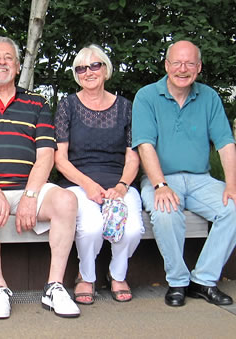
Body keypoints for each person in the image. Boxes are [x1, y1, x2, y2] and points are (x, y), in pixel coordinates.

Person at [0, 36, 80, 319]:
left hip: (28, 188)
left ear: (17, 66)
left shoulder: (37, 103)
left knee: (66, 200)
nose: (2, 62)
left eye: (8, 58)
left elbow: (46, 156)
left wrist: (30, 194)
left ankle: (55, 287)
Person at [132, 40, 236, 307]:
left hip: (201, 180)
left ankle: (204, 280)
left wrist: (232, 185)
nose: (182, 69)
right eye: (177, 63)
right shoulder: (147, 96)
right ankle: (177, 282)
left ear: (198, 67)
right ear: (166, 65)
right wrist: (160, 185)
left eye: (189, 63)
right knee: (165, 212)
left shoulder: (208, 97)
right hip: (161, 178)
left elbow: (225, 144)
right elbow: (145, 145)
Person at [54, 44, 144, 305]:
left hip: (119, 182)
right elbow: (60, 158)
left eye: (95, 65)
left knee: (133, 229)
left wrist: (123, 186)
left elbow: (133, 156)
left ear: (106, 69)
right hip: (78, 183)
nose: (88, 72)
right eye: (81, 68)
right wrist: (88, 185)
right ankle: (86, 275)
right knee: (91, 227)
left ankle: (117, 273)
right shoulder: (67, 106)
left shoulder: (126, 107)